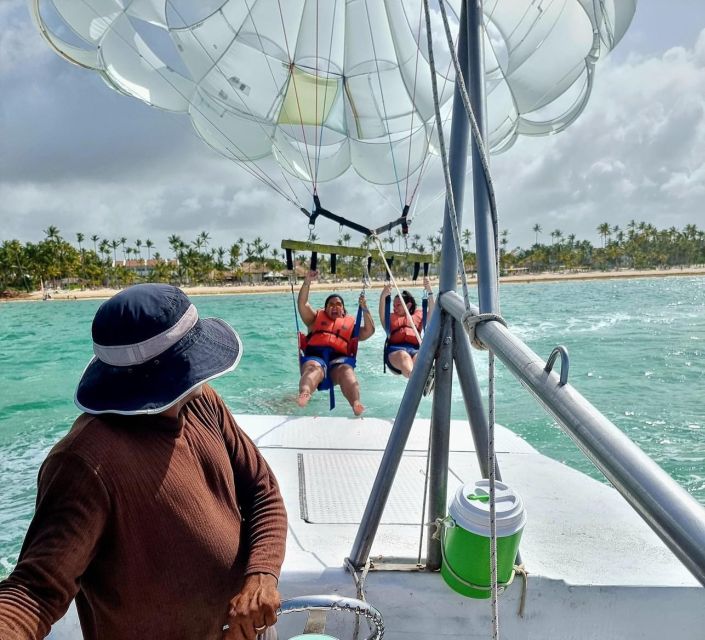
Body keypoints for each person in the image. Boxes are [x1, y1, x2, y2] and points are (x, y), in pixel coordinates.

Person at [0, 284, 287, 640]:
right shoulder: (84, 464)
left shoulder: (201, 402)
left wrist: (260, 577)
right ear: (175, 368)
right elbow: (34, 591)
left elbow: (263, 489)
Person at [296, 270, 375, 416]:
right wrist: (307, 281)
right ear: (325, 309)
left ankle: (355, 402)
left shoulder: (350, 327)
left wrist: (364, 307)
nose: (334, 306)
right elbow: (302, 303)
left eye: (338, 304)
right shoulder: (314, 320)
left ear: (343, 310)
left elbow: (369, 331)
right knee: (314, 370)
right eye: (331, 304)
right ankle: (305, 393)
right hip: (315, 358)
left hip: (337, 363)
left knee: (347, 371)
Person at [379, 277, 435, 378]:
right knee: (403, 355)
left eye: (398, 305)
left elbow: (433, 313)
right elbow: (381, 312)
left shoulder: (419, 315)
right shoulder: (389, 318)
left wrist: (429, 291)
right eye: (393, 305)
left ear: (408, 306)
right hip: (395, 352)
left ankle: (425, 380)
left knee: (419, 358)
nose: (394, 308)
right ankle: (414, 379)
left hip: (415, 350)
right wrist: (383, 296)